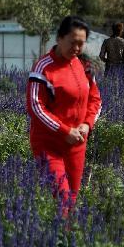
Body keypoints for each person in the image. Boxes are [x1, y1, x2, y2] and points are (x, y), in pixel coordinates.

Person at [27, 15, 102, 211]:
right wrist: (64, 131)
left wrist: (87, 125)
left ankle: (65, 239)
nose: (77, 48)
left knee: (72, 200)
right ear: (59, 38)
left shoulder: (83, 67)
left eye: (81, 44)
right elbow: (36, 107)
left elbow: (95, 100)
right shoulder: (43, 68)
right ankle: (54, 239)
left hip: (77, 145)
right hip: (49, 145)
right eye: (72, 42)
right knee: (62, 198)